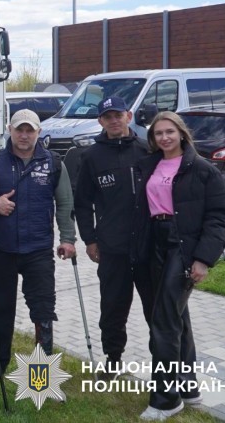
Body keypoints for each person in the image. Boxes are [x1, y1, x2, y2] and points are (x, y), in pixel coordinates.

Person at [135, 111, 225, 421]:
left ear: (181, 133)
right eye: (158, 133)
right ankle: (188, 388)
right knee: (177, 318)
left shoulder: (202, 169)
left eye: (169, 132)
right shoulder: (149, 165)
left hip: (183, 247)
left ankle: (165, 400)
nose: (164, 137)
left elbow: (218, 218)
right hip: (155, 244)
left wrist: (203, 259)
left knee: (163, 322)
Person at [0, 109, 76, 383]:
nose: (24, 135)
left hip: (38, 250)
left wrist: (67, 239)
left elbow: (65, 203)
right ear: (10, 130)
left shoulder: (54, 163)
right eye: (19, 129)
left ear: (38, 132)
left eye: (29, 130)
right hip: (1, 248)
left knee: (43, 310)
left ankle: (41, 372)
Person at [74, 96, 154, 373]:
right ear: (100, 121)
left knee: (155, 308)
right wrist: (90, 240)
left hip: (147, 247)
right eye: (107, 116)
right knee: (112, 308)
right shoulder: (91, 157)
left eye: (118, 115)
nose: (114, 120)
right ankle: (113, 359)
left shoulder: (147, 151)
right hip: (112, 248)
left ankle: (163, 360)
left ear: (128, 116)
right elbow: (82, 203)